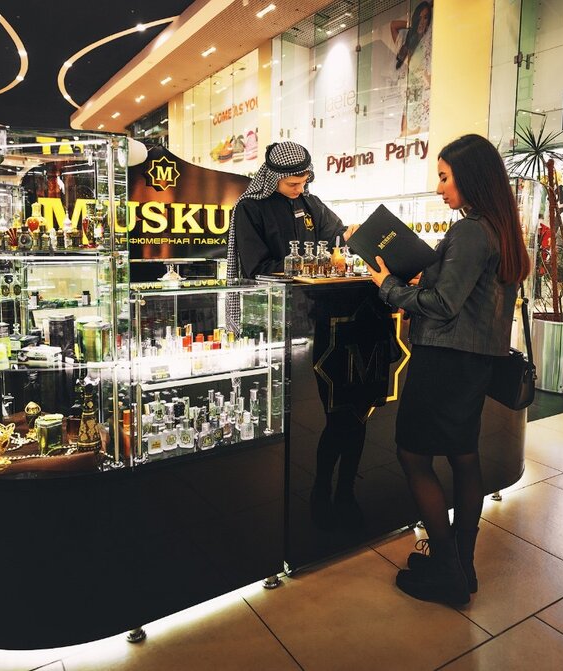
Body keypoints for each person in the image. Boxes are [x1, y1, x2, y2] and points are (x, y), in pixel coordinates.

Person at [367, 134, 529, 606]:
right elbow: (467, 293)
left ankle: (446, 569)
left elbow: (443, 304)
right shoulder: (500, 229)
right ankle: (462, 565)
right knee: (463, 456)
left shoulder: (470, 231)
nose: (439, 188)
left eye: (444, 177)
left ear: (470, 177)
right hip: (475, 362)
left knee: (413, 456)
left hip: (444, 359)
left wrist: (389, 287)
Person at [227, 141, 352, 280]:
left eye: (304, 182)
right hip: (271, 291)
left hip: (313, 291)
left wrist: (348, 236)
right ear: (273, 179)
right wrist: (303, 265)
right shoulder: (250, 208)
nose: (301, 189)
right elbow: (256, 267)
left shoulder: (311, 203)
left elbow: (333, 239)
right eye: (292, 184)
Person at [390, 1, 432, 136]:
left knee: (415, 138)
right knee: (405, 137)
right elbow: (393, 25)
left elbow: (429, 77)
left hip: (420, 96)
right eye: (419, 17)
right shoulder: (406, 43)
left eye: (426, 17)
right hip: (408, 97)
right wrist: (412, 24)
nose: (422, 21)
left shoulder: (428, 43)